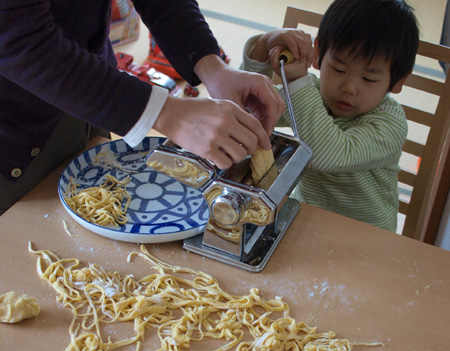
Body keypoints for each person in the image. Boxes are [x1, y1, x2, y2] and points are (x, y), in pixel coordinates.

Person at [0, 0, 285, 214]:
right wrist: (168, 113)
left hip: (93, 89)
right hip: (12, 127)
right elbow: (17, 39)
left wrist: (211, 66)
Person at [241, 0, 420, 232]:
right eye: (339, 69)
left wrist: (297, 82)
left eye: (369, 79)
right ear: (318, 55)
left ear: (398, 81)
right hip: (304, 220)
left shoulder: (390, 124)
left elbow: (328, 155)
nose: (349, 87)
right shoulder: (312, 94)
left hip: (366, 236)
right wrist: (264, 46)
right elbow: (249, 108)